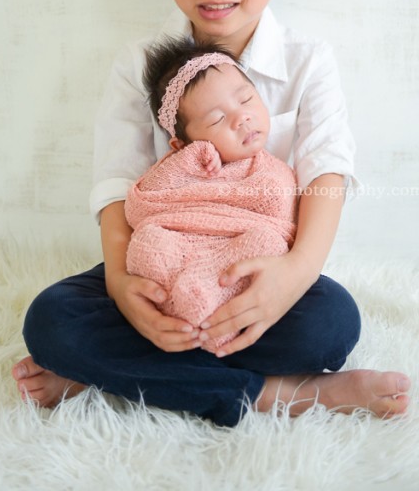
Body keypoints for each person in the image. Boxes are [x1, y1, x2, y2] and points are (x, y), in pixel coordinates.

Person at [12, 0, 410, 426]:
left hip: (257, 268)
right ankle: (286, 394)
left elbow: (327, 175)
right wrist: (123, 285)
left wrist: (293, 277)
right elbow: (117, 183)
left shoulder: (309, 62)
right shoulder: (139, 63)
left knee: (331, 324)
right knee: (51, 320)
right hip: (161, 265)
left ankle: (104, 370)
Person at [125, 39, 298, 353]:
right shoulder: (182, 165)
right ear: (182, 144)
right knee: (148, 243)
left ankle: (199, 322)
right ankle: (258, 379)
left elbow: (279, 221)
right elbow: (143, 207)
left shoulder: (273, 171)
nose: (241, 118)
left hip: (244, 277)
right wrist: (189, 162)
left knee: (333, 318)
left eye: (246, 99)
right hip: (180, 262)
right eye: (217, 119)